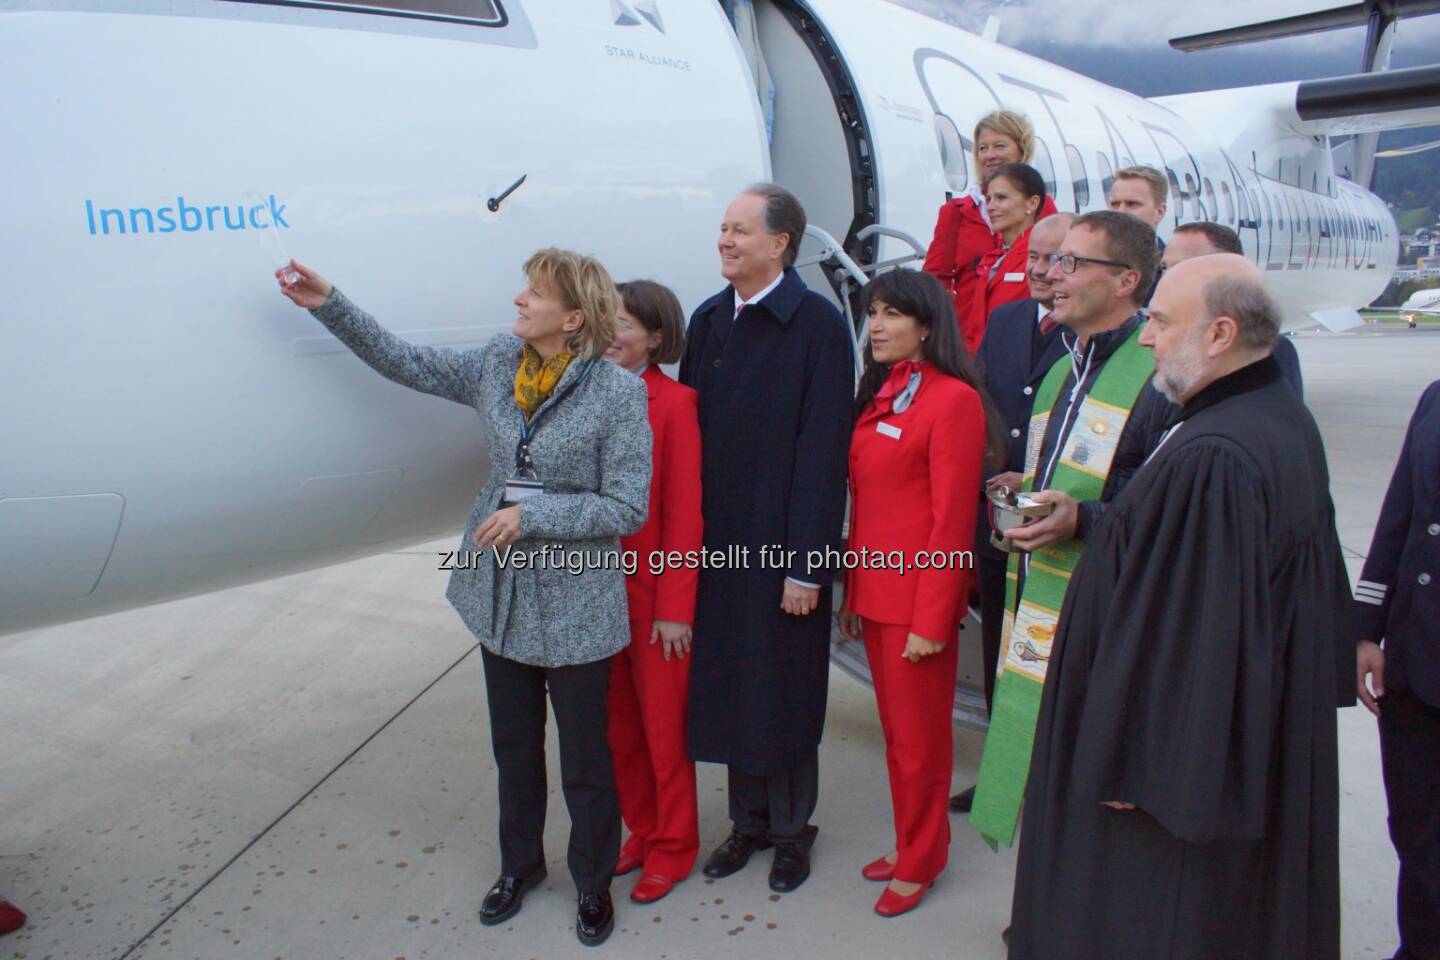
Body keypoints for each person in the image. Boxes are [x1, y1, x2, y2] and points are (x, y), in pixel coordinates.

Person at [276, 249, 651, 947]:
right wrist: (331, 303)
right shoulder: (495, 364)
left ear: (572, 319)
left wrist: (534, 516)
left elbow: (626, 505)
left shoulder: (618, 395)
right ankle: (521, 867)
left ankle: (593, 883)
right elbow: (402, 362)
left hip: (575, 605)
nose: (518, 301)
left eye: (533, 294)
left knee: (586, 760)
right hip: (499, 594)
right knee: (513, 747)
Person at [1009, 254, 1349, 959]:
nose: (1145, 338)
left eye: (1161, 321)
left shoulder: (1215, 456)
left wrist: (1133, 760)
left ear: (1221, 334)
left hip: (1166, 786)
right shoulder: (1272, 416)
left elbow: (1191, 630)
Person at [968, 211, 1160, 851]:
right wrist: (1034, 478)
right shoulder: (1068, 367)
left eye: (1073, 263)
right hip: (1050, 597)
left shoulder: (1156, 377)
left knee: (1093, 778)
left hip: (1111, 612)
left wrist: (1086, 517)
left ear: (1127, 280)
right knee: (1049, 763)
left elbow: (1169, 497)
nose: (1051, 272)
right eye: (1052, 260)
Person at [681, 183, 853, 894]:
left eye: (740, 230)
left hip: (784, 546)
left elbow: (823, 450)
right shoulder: (709, 319)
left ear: (780, 244)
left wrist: (808, 565)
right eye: (722, 229)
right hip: (720, 547)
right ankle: (746, 824)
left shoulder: (815, 324)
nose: (725, 240)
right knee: (729, 687)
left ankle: (791, 830)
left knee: (781, 689)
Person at [836, 268, 996, 917]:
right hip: (875, 595)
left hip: (916, 604)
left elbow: (951, 521)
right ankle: (910, 843)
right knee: (899, 738)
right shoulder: (888, 393)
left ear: (926, 325)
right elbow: (869, 506)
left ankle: (924, 857)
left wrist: (934, 617)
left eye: (891, 314)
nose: (875, 325)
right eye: (872, 312)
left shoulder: (952, 400)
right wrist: (853, 591)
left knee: (922, 742)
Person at [948, 211, 1073, 816]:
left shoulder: (1097, 334)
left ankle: (1051, 779)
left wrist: (1037, 476)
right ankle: (1005, 770)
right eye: (1036, 260)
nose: (1045, 272)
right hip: (998, 521)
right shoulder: (1006, 320)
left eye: (1059, 259)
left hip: (1059, 524)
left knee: (1053, 656)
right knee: (1002, 643)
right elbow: (983, 403)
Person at [603, 280, 703, 905]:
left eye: (623, 324)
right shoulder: (585, 391)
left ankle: (674, 846)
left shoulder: (674, 403)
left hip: (650, 597)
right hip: (593, 595)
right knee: (619, 730)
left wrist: (674, 610)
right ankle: (642, 830)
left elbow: (685, 513)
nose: (610, 333)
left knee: (664, 732)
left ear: (656, 338)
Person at [1356, 379, 1440, 960]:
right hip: (1415, 659)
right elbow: (1402, 510)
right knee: (1415, 830)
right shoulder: (1437, 396)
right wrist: (1366, 624)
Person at [923, 111, 1058, 327]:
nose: (990, 155)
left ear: (1022, 150)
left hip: (1022, 329)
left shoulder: (1044, 208)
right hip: (965, 336)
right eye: (982, 148)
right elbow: (934, 277)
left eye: (1000, 146)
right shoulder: (956, 213)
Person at [1163, 222, 1304, 397]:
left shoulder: (1267, 350)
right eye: (1164, 268)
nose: (1166, 279)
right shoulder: (1153, 339)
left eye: (1180, 268)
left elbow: (1280, 417)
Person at [959, 164, 1047, 353]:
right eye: (989, 199)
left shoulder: (1041, 259)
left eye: (1001, 198)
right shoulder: (996, 258)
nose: (990, 206)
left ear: (1032, 203)